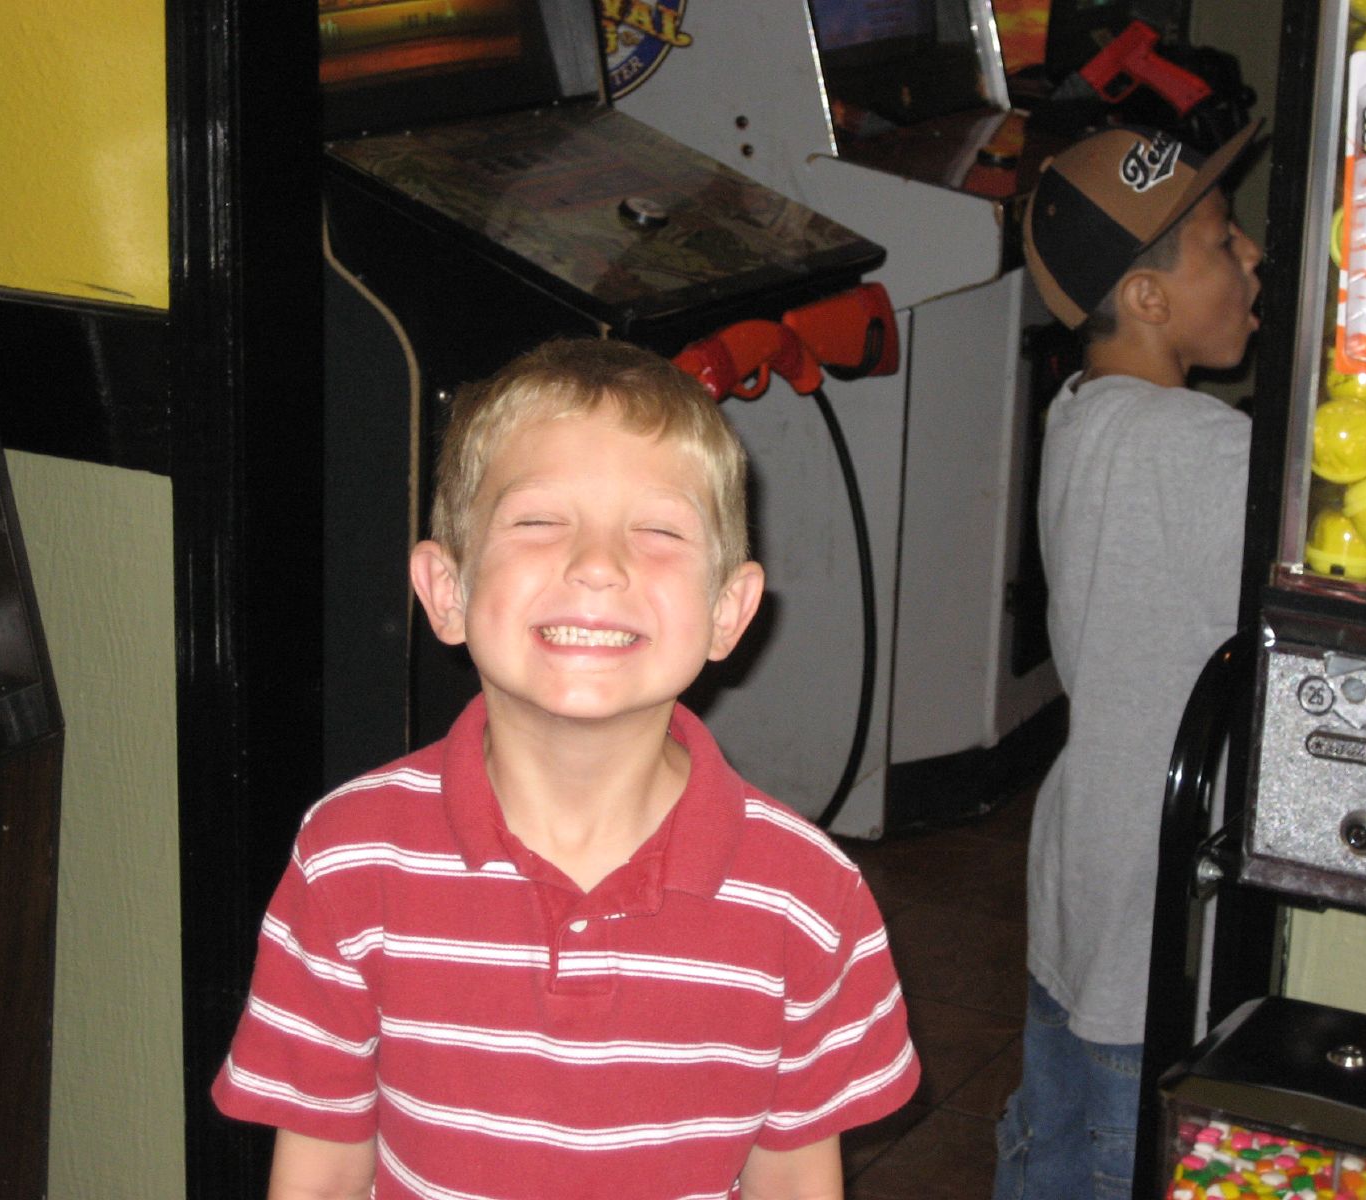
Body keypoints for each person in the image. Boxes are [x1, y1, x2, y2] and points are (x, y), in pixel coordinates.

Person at [213, 338, 920, 1199]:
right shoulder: (349, 862)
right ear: (447, 590)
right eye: (539, 521)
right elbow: (320, 1169)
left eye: (658, 531)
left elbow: (795, 1178)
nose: (597, 565)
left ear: (729, 612)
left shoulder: (811, 900)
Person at [991, 121, 1264, 1200]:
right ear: (1146, 299)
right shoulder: (1200, 451)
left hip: (1084, 869)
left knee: (1049, 1147)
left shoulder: (1087, 413)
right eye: (1220, 241)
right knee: (1116, 1159)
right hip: (1153, 892)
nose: (1251, 257)